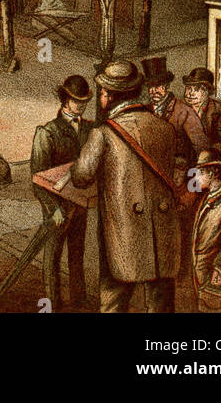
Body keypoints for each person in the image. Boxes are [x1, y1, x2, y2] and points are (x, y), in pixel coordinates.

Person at [70, 59, 179, 313]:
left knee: (114, 301)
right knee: (161, 303)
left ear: (109, 96)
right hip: (163, 229)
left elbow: (82, 175)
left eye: (103, 94)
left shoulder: (103, 133)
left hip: (122, 232)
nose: (101, 98)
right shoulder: (165, 128)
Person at [29, 74, 94, 309]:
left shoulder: (90, 129)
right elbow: (37, 179)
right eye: (77, 100)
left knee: (77, 257)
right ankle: (52, 305)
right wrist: (53, 209)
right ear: (65, 100)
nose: (81, 105)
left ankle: (80, 301)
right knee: (52, 260)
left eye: (85, 101)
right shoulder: (47, 132)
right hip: (56, 209)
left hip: (80, 207)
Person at [143, 55, 209, 278]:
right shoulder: (145, 111)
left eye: (159, 85)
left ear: (167, 85)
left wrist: (192, 187)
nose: (155, 90)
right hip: (153, 178)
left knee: (179, 227)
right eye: (151, 86)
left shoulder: (184, 112)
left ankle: (179, 272)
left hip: (180, 180)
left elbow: (202, 151)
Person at [189, 151, 221, 311]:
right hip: (199, 268)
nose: (196, 179)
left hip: (213, 272)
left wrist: (219, 267)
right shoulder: (205, 199)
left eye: (199, 174)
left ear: (211, 174)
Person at [183, 67, 221, 162]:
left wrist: (211, 152)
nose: (190, 93)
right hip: (188, 159)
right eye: (188, 88)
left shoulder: (217, 109)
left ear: (207, 91)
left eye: (196, 89)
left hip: (212, 159)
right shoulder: (182, 109)